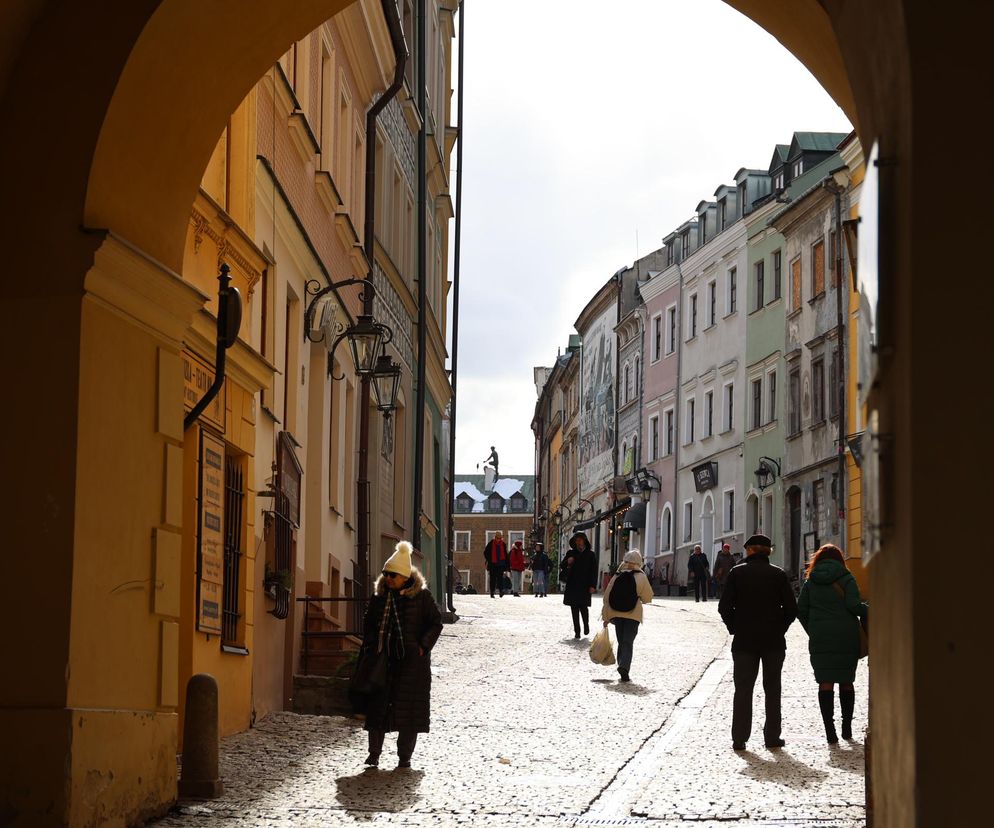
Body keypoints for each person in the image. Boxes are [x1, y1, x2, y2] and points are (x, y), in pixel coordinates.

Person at [361, 540, 443, 769]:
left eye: (393, 575)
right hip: (383, 661)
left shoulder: (422, 598)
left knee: (408, 712)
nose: (388, 578)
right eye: (386, 574)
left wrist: (422, 646)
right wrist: (371, 646)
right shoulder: (380, 597)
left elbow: (435, 623)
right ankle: (374, 753)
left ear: (405, 576)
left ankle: (404, 756)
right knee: (378, 709)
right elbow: (368, 624)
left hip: (412, 665)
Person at [718, 533, 797, 751]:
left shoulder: (737, 573)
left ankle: (740, 737)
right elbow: (791, 610)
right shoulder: (778, 574)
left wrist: (735, 627)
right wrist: (779, 628)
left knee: (743, 689)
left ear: (750, 550)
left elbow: (724, 607)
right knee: (773, 689)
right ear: (768, 552)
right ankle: (772, 736)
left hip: (744, 642)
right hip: (773, 641)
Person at [797, 543, 868, 743]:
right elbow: (853, 606)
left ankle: (830, 731)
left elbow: (800, 610)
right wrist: (870, 609)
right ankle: (847, 728)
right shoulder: (846, 579)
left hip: (821, 637)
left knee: (825, 682)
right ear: (839, 559)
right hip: (846, 636)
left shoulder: (810, 582)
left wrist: (813, 630)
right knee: (847, 681)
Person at [601, 550, 654, 682]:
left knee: (621, 641)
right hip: (633, 614)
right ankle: (624, 666)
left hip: (616, 614)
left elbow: (607, 596)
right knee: (628, 642)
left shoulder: (617, 575)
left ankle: (622, 665)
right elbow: (647, 597)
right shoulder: (641, 577)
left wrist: (605, 616)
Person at [561, 531, 598, 638]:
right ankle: (577, 631)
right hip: (573, 584)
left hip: (585, 585)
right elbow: (562, 565)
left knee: (583, 607)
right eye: (577, 540)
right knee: (574, 608)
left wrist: (593, 585)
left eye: (581, 540)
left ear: (585, 541)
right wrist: (568, 561)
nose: (579, 542)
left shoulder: (590, 554)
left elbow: (594, 571)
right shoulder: (570, 553)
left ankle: (586, 625)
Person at [483, 531, 509, 598]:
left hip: (500, 564)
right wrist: (489, 559)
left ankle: (501, 591)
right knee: (493, 579)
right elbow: (485, 552)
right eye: (497, 538)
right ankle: (492, 592)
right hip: (493, 564)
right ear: (495, 537)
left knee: (500, 579)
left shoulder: (503, 544)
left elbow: (505, 554)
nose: (498, 539)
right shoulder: (491, 543)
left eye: (500, 538)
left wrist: (506, 564)